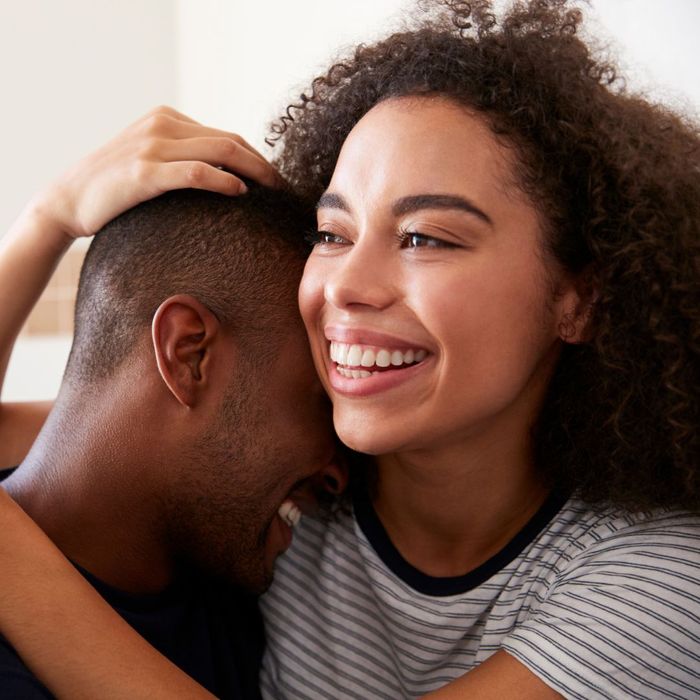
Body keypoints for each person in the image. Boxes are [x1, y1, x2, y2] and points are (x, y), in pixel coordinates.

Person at [0, 0, 698, 698]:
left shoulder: (656, 579)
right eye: (332, 235)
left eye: (425, 237)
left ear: (580, 299)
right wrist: (49, 219)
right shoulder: (292, 483)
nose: (348, 285)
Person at [0, 183, 345, 699]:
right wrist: (48, 216)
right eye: (321, 399)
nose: (341, 470)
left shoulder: (234, 579)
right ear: (189, 354)